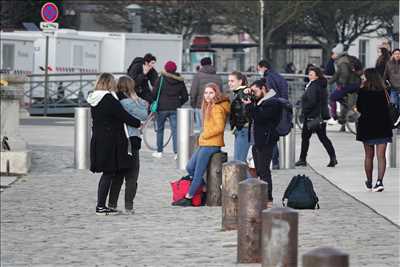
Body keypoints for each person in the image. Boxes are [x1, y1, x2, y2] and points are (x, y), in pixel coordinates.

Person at [87, 73, 141, 215]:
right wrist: (137, 123)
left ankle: (103, 205)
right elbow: (122, 115)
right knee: (108, 173)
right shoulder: (108, 98)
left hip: (99, 139)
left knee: (108, 173)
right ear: (108, 83)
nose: (114, 84)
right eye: (112, 82)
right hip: (110, 141)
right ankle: (100, 206)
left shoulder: (94, 98)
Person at [173, 83, 230, 206]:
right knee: (189, 167)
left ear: (216, 93)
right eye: (206, 93)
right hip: (205, 143)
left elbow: (219, 128)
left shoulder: (217, 108)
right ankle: (203, 187)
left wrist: (204, 135)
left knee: (198, 171)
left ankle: (189, 197)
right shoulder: (209, 105)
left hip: (212, 144)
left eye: (211, 93)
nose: (207, 95)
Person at [106, 76, 148, 214]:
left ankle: (112, 204)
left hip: (119, 141)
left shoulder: (116, 102)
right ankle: (128, 207)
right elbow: (143, 115)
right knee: (132, 176)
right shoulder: (130, 103)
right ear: (131, 87)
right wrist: (138, 99)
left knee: (118, 175)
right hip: (132, 141)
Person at [242, 78, 282, 207]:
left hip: (266, 140)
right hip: (256, 141)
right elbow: (250, 117)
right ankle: (262, 195)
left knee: (264, 170)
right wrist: (249, 101)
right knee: (258, 170)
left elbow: (260, 118)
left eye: (255, 91)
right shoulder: (259, 101)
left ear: (263, 89)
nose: (253, 94)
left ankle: (268, 199)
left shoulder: (272, 102)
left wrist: (250, 105)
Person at [356, 68, 393, 192]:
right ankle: (380, 181)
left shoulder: (362, 91)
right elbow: (389, 106)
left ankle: (369, 181)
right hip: (383, 125)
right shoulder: (384, 91)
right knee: (381, 156)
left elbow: (359, 108)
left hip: (367, 126)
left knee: (368, 156)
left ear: (368, 78)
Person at [295, 67, 338, 168]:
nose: (309, 75)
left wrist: (304, 110)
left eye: (311, 74)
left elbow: (311, 101)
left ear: (316, 75)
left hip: (312, 116)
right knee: (322, 137)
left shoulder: (314, 86)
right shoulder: (320, 84)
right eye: (309, 73)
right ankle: (333, 158)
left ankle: (302, 159)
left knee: (306, 137)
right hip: (320, 116)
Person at [151, 61, 188, 159]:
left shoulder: (161, 78)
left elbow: (154, 94)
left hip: (161, 108)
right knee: (175, 131)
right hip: (174, 108)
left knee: (160, 130)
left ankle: (159, 152)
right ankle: (176, 153)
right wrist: (178, 103)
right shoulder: (180, 80)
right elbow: (185, 96)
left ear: (166, 68)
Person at [257, 59, 289, 169]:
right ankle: (276, 160)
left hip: (272, 107)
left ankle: (274, 160)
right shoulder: (278, 76)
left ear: (263, 67)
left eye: (259, 69)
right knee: (274, 134)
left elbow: (270, 93)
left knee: (270, 134)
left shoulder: (268, 78)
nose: (259, 71)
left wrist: (261, 102)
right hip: (281, 106)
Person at [328, 44, 362, 129]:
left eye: (334, 53)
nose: (332, 55)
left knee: (333, 97)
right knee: (341, 98)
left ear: (338, 53)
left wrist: (342, 85)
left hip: (350, 84)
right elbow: (337, 74)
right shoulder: (345, 59)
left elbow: (344, 74)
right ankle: (346, 112)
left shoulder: (342, 61)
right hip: (355, 83)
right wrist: (329, 82)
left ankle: (336, 116)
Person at [190, 57, 223, 132]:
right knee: (212, 127)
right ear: (211, 64)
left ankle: (202, 143)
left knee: (200, 128)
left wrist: (193, 104)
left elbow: (193, 92)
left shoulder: (198, 76)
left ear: (201, 65)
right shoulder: (218, 77)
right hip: (214, 106)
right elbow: (221, 92)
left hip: (200, 106)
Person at [228, 71, 251, 162]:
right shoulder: (239, 93)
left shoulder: (243, 93)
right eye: (229, 81)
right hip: (241, 130)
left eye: (232, 81)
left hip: (243, 130)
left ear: (240, 81)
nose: (230, 83)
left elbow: (245, 112)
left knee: (239, 162)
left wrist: (238, 126)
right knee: (240, 162)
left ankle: (249, 177)